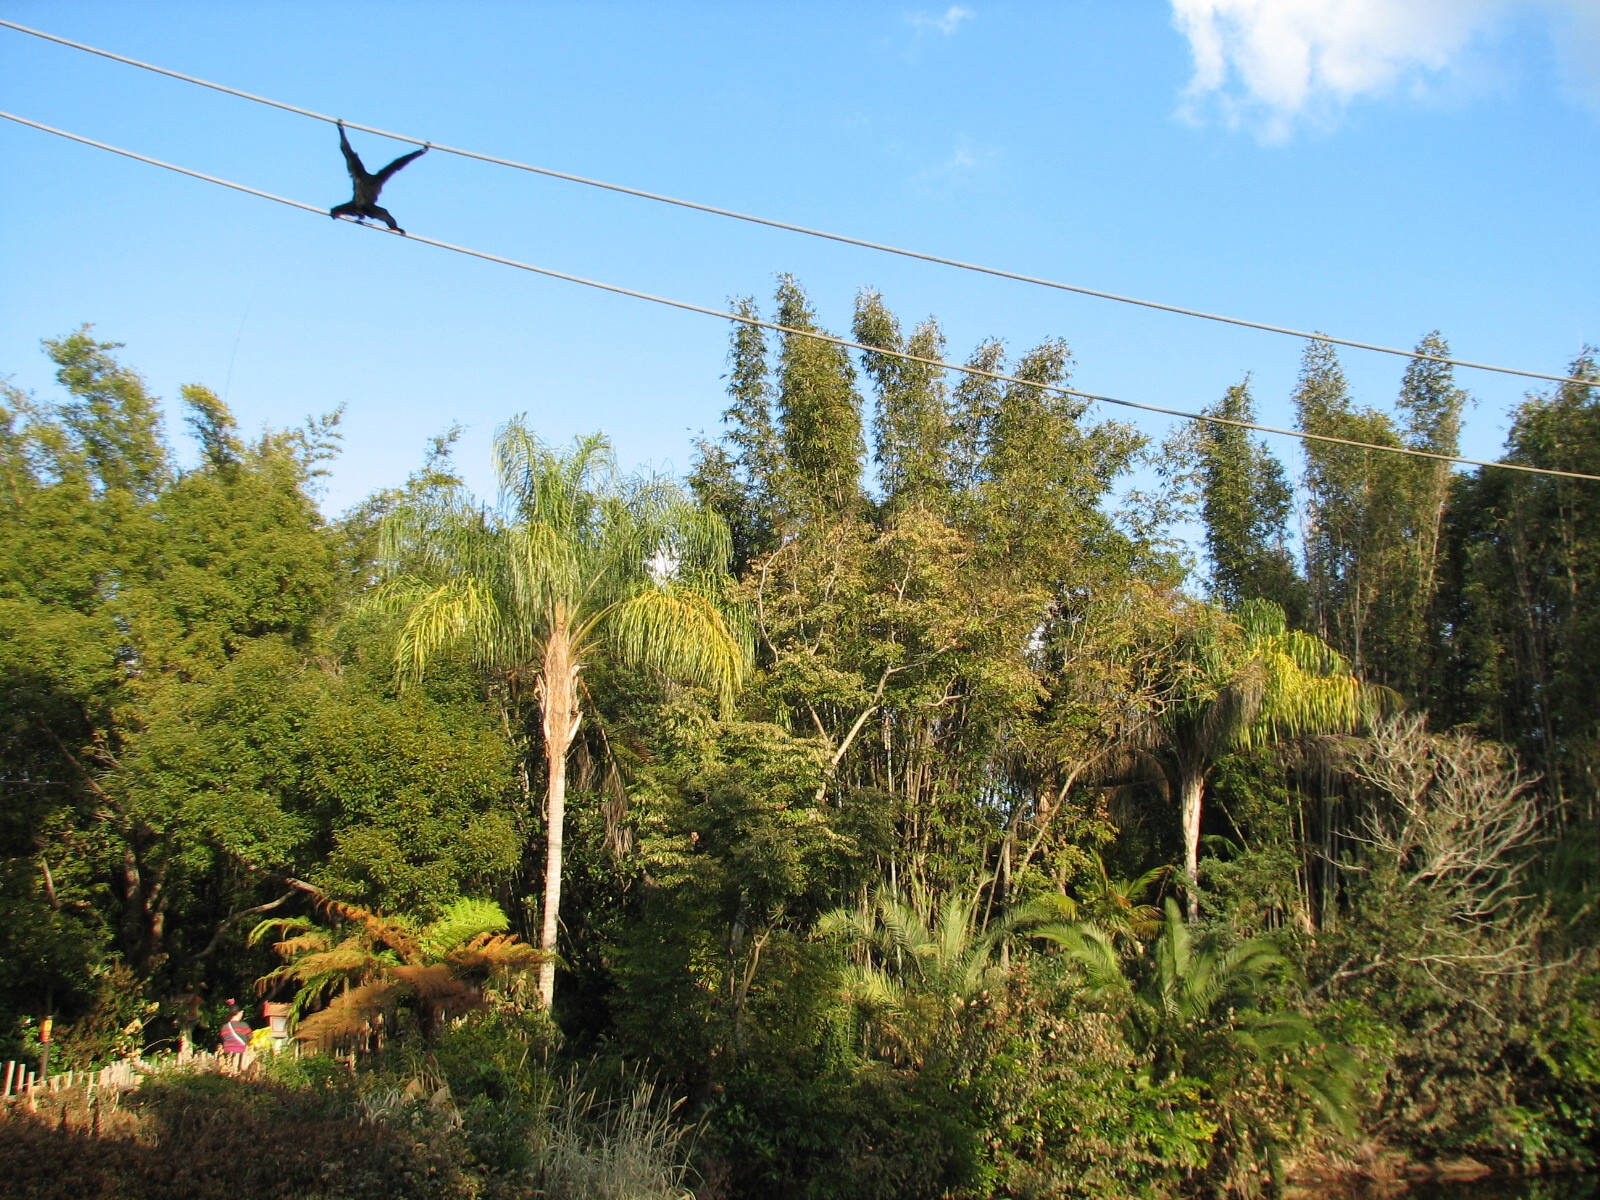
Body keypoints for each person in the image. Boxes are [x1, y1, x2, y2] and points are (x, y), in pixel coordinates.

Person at [328, 121, 428, 234]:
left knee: (385, 214)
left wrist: (420, 152)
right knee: (334, 211)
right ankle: (345, 213)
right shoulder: (363, 175)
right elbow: (348, 153)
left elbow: (399, 163)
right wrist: (341, 131)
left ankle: (393, 227)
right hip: (355, 206)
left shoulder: (371, 177)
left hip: (367, 207)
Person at [220, 1004, 251, 1071]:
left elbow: (223, 1038)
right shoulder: (244, 1025)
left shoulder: (224, 1027)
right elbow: (250, 1037)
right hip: (241, 1053)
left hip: (228, 1052)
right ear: (239, 1013)